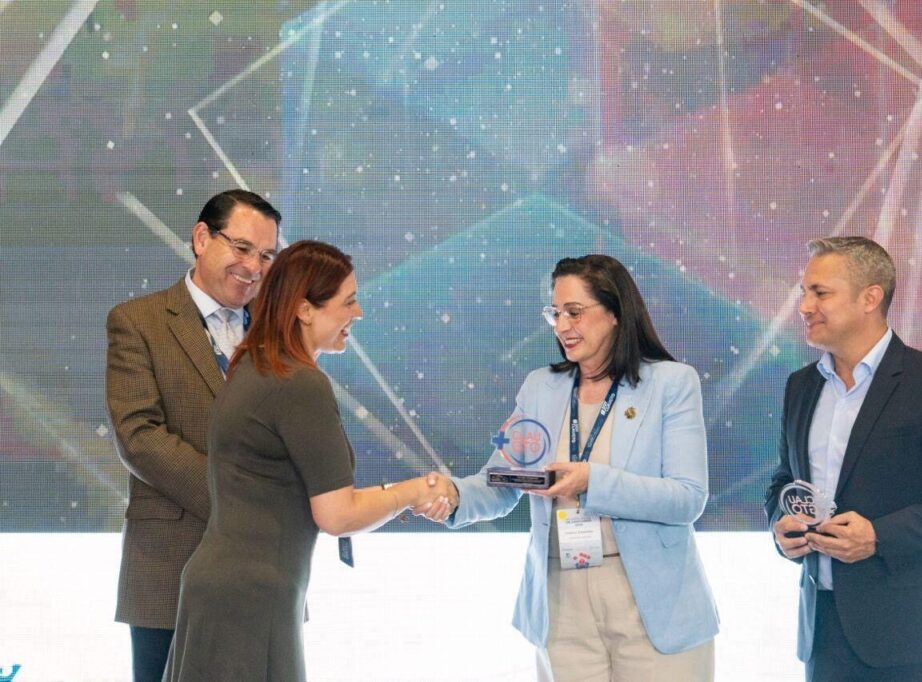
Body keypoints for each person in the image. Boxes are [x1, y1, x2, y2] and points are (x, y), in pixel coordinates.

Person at [162, 240, 454, 681]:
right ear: (304, 309)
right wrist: (415, 491)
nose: (358, 313)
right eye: (348, 302)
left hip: (230, 594)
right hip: (250, 602)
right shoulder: (298, 384)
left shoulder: (255, 366)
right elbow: (338, 514)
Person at [420, 255, 719, 681]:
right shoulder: (541, 387)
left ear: (615, 313)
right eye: (555, 313)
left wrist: (592, 481)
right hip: (562, 601)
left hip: (654, 601)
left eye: (574, 312)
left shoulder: (671, 383)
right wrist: (454, 497)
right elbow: (503, 480)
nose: (562, 326)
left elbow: (687, 498)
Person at [765, 236, 922, 681]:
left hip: (912, 637)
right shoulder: (801, 386)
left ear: (870, 298)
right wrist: (782, 526)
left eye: (820, 292)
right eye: (804, 292)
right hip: (822, 633)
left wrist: (878, 536)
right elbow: (784, 481)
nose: (805, 306)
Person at [106, 189, 282, 681]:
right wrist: (238, 505)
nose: (254, 267)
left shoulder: (279, 333)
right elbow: (140, 437)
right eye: (242, 248)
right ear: (202, 238)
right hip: (171, 569)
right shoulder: (138, 322)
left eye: (267, 256)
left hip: (268, 571)